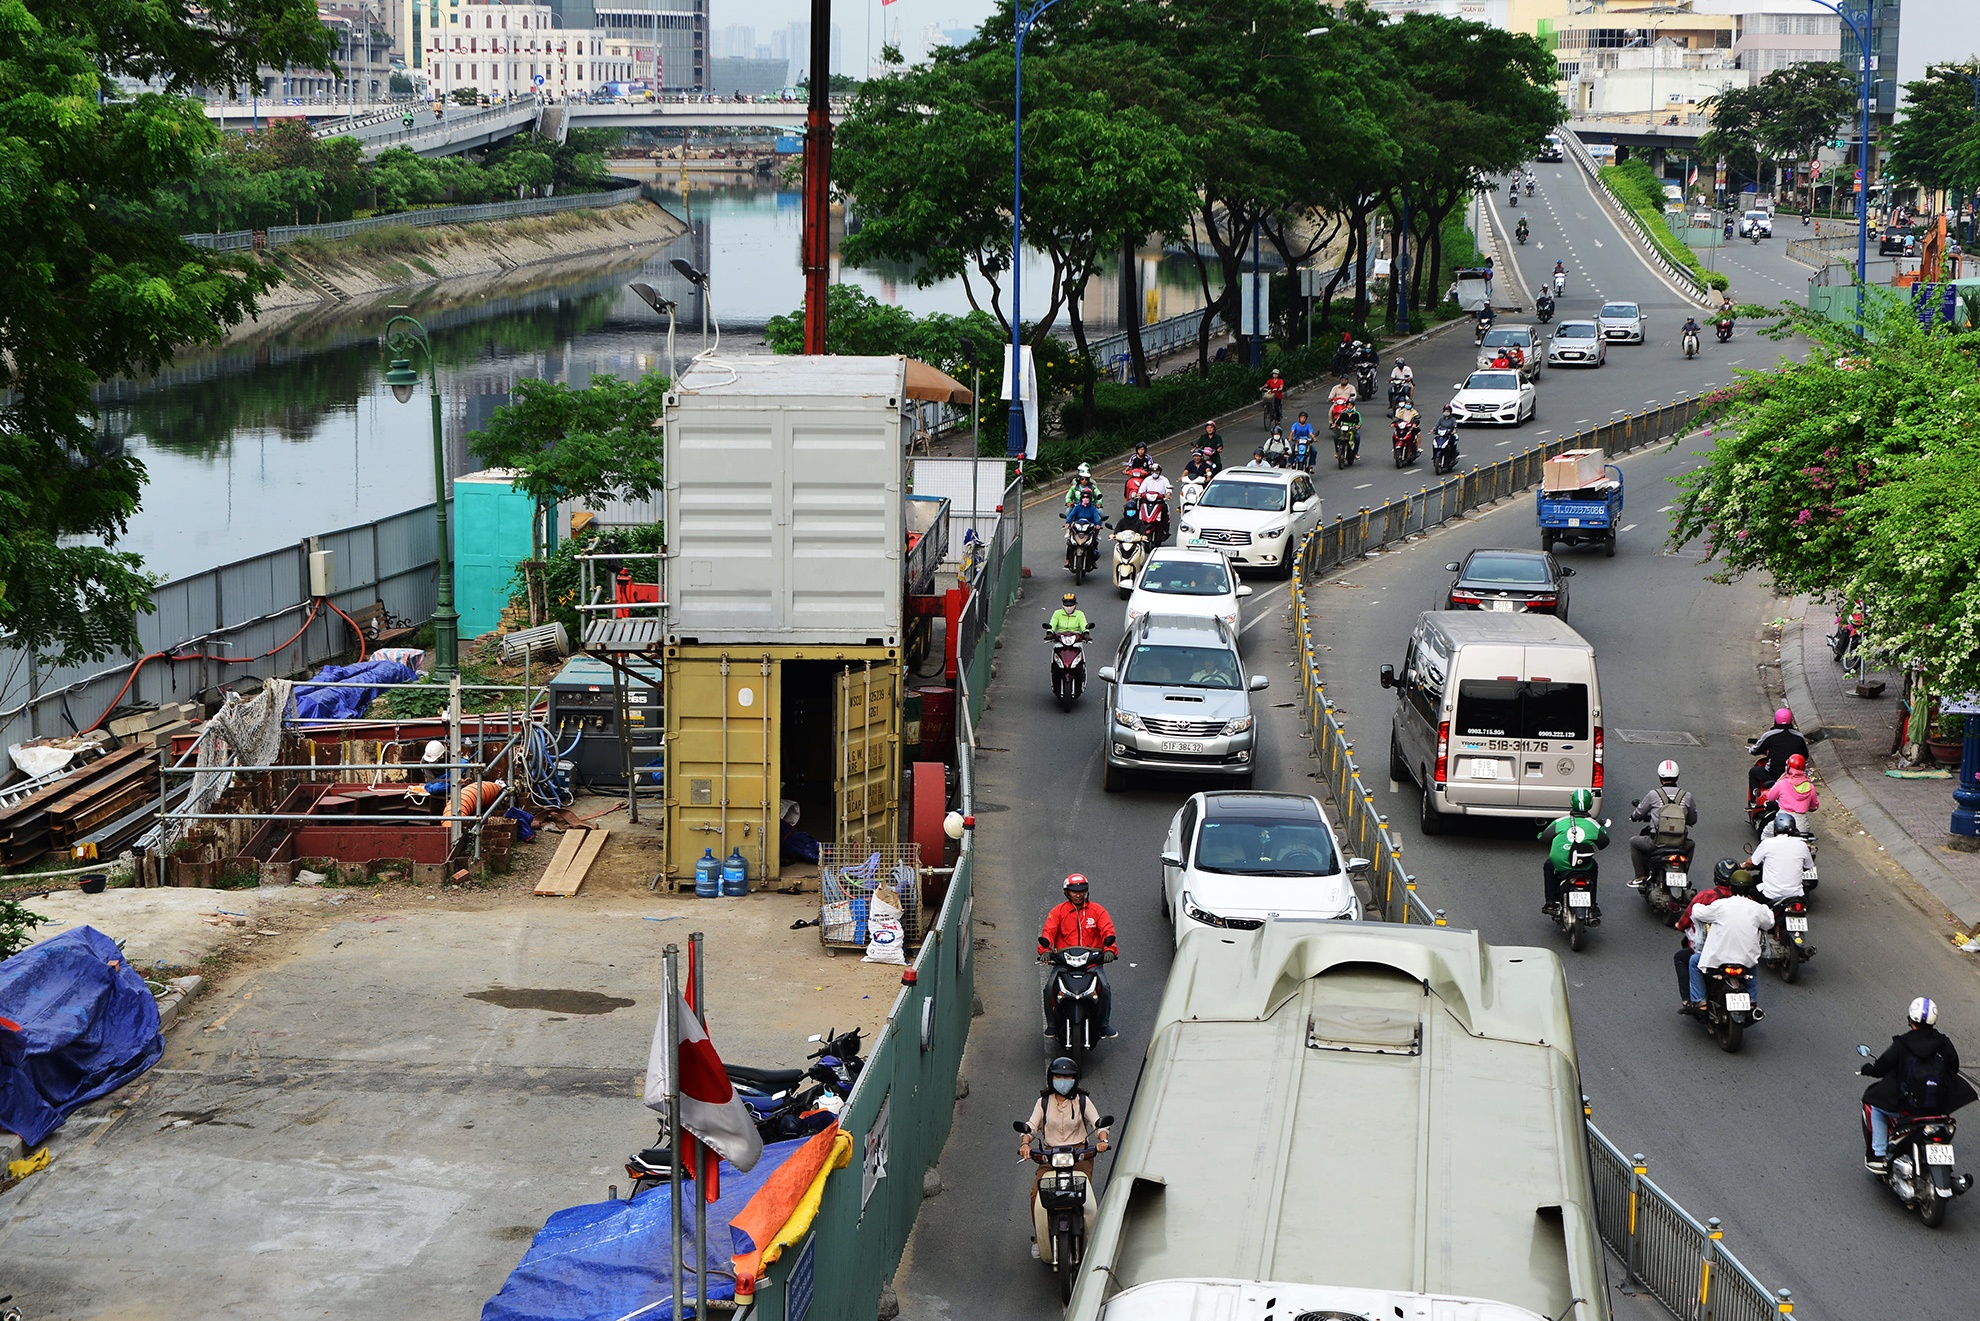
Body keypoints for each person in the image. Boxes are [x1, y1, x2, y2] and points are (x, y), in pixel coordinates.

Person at [1860, 998, 1978, 1171]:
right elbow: (1953, 1067)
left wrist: (1868, 1069)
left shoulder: (1902, 1044)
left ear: (1910, 1020)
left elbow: (1881, 1068)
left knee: (1874, 1105)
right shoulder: (1944, 1043)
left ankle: (1879, 1154)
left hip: (1910, 1107)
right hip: (1938, 1108)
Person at [1020, 1056, 1110, 1249]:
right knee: (1036, 1194)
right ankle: (1039, 1237)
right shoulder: (1043, 1103)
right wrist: (1025, 1144)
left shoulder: (1082, 1101)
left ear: (1075, 1079)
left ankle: (1092, 1239)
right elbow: (1031, 1126)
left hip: (1079, 1153)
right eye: (1058, 1076)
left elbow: (1098, 1123)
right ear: (1051, 1078)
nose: (1063, 1081)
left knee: (1085, 1197)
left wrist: (1103, 1140)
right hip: (1050, 1155)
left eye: (1067, 1077)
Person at [1038, 874, 1117, 1039]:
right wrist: (1045, 950)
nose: (1078, 895)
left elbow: (1108, 930)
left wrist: (1109, 950)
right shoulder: (1058, 911)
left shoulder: (1098, 911)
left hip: (1091, 962)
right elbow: (1048, 931)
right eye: (1074, 891)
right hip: (1064, 962)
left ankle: (1104, 1024)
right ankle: (1052, 1024)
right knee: (1049, 987)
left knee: (1105, 987)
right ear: (1067, 892)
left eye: (1081, 891)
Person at [1684, 875, 1775, 1014]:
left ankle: (1700, 1001)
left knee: (1694, 962)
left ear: (1731, 888)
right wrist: (1765, 908)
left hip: (1718, 958)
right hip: (1745, 958)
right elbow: (1769, 923)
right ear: (1749, 889)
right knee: (1752, 967)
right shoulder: (1756, 908)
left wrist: (1697, 905)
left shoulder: (1721, 905)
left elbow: (1698, 913)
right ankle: (1751, 1001)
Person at [1674, 860, 1738, 1010]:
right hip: (1739, 951)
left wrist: (1679, 925)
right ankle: (1752, 1000)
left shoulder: (1706, 897)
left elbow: (1686, 919)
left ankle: (1694, 1000)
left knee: (1683, 959)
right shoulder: (1747, 901)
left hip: (1712, 951)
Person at [1538, 788, 1608, 917]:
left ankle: (1550, 902)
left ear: (1572, 803)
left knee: (1549, 865)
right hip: (1584, 866)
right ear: (1590, 804)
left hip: (1561, 865)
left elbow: (1545, 839)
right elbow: (1603, 843)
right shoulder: (1594, 825)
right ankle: (1592, 904)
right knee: (1594, 866)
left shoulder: (1560, 822)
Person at [1628, 760, 1698, 883]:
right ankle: (1683, 874)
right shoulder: (1687, 796)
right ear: (1677, 777)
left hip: (1655, 842)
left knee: (1634, 842)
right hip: (1680, 844)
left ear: (1660, 777)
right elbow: (1693, 819)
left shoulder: (1653, 795)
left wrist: (1634, 817)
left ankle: (1640, 876)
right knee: (1691, 844)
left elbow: (1639, 813)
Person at [1746, 820, 1815, 907]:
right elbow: (1808, 866)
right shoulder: (1802, 845)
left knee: (1749, 896)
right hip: (1795, 895)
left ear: (1775, 830)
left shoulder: (1767, 843)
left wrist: (1742, 866)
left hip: (1770, 894)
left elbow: (1751, 862)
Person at [1748, 707, 1809, 796]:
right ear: (1791, 720)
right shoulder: (1799, 737)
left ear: (1775, 720)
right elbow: (1805, 755)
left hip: (1771, 773)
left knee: (1753, 772)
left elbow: (1755, 751)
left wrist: (1750, 750)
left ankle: (1754, 800)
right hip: (1791, 775)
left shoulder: (1769, 735)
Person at [1759, 752, 1819, 836]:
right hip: (1801, 826)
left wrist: (1779, 780)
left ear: (1788, 768)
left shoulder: (1782, 783)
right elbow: (1814, 806)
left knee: (1765, 835)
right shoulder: (1810, 787)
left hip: (1781, 822)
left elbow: (1770, 797)